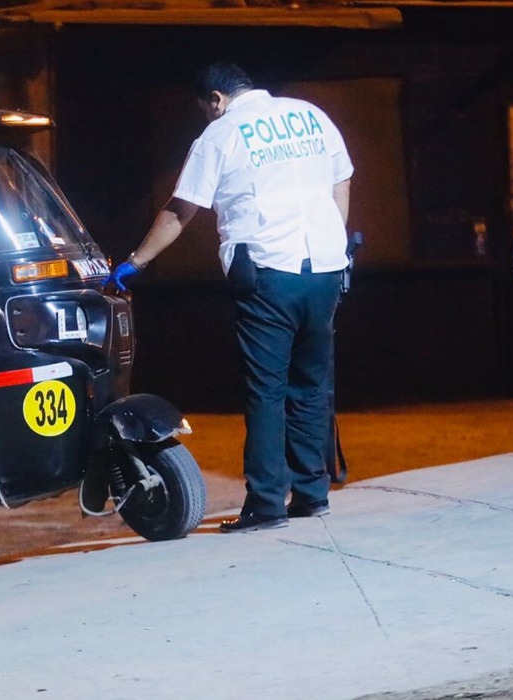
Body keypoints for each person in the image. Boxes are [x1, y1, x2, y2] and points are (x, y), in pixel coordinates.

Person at [107, 62, 353, 533]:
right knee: (310, 384)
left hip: (266, 273)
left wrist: (134, 263)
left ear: (216, 100)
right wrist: (334, 241)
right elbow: (342, 179)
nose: (207, 117)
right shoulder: (310, 115)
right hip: (324, 269)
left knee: (267, 389)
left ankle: (265, 503)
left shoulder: (221, 135)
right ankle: (311, 493)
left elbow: (181, 211)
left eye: (206, 110)